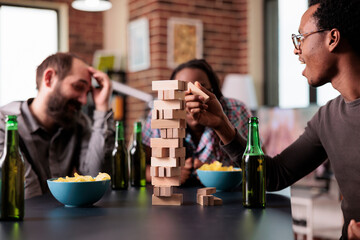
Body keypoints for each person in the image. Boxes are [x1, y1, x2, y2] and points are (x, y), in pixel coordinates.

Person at [185, 0, 360, 239]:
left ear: (332, 38)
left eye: (302, 37)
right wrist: (221, 124)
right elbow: (273, 175)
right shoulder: (327, 118)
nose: (296, 50)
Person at [0, 52, 115, 199]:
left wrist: (102, 107)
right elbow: (29, 197)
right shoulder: (5, 124)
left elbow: (96, 178)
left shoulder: (79, 123)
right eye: (78, 87)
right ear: (49, 79)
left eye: (87, 93)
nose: (84, 101)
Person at [142, 59, 252, 185]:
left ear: (213, 91)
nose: (191, 98)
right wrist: (163, 174)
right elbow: (137, 168)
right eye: (181, 90)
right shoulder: (160, 113)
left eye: (199, 89)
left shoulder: (236, 111)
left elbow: (260, 167)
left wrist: (215, 173)